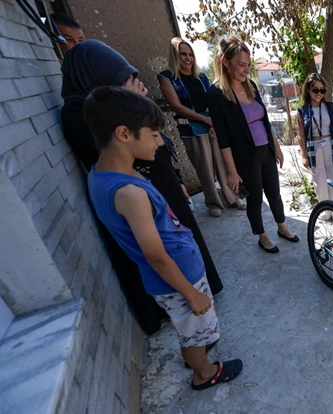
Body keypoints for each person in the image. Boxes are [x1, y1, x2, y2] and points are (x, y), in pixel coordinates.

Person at [84, 86, 243, 390]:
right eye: (154, 134)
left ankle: (195, 352)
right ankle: (204, 372)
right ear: (124, 134)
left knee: (191, 326)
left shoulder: (101, 175)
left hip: (176, 275)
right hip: (179, 279)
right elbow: (155, 255)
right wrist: (192, 293)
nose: (160, 141)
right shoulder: (129, 194)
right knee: (194, 328)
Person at [61, 39, 223, 334]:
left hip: (159, 188)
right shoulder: (81, 113)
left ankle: (198, 295)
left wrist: (175, 179)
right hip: (147, 206)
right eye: (129, 81)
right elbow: (155, 255)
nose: (140, 87)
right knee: (187, 316)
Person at [207, 36, 297, 254]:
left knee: (274, 192)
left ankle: (282, 226)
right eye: (241, 65)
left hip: (265, 148)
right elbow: (223, 137)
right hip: (245, 155)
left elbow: (265, 120)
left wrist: (276, 147)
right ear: (225, 63)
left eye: (248, 65)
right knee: (255, 198)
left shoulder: (252, 86)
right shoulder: (216, 93)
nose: (246, 70)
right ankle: (262, 236)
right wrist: (231, 171)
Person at [159, 37, 246, 217]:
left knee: (222, 162)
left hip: (211, 125)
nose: (188, 58)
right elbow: (177, 106)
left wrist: (214, 123)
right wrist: (205, 120)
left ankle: (233, 196)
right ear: (175, 56)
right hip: (190, 129)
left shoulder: (202, 77)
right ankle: (214, 202)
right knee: (204, 167)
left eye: (190, 54)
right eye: (183, 54)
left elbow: (211, 103)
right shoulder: (167, 78)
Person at [296, 73, 333, 218]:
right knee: (320, 183)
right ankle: (326, 214)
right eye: (315, 90)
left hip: (332, 145)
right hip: (314, 148)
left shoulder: (331, 108)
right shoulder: (302, 112)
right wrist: (303, 155)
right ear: (308, 90)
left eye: (322, 90)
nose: (319, 93)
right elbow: (301, 136)